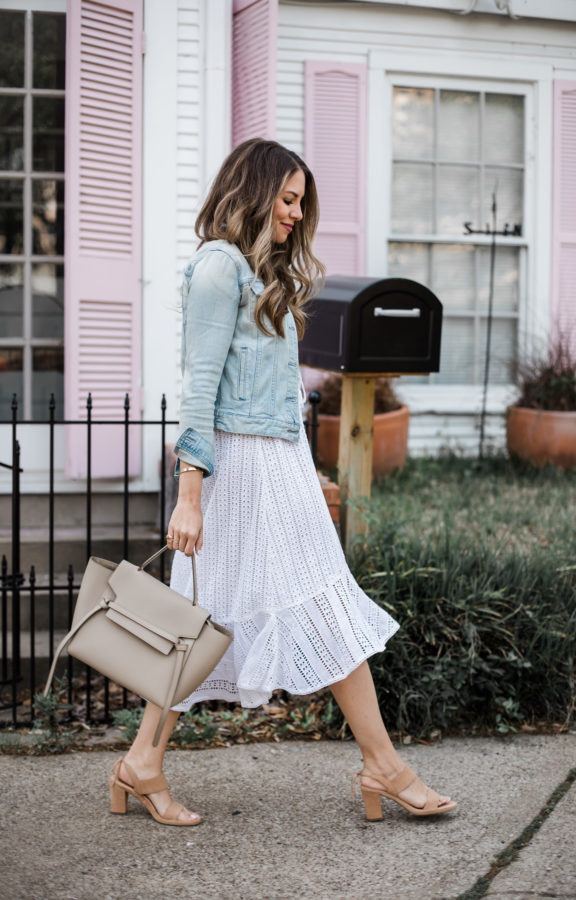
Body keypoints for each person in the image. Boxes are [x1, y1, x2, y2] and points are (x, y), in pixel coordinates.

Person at [109, 139, 456, 827]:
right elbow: (200, 387)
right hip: (237, 470)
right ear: (254, 190)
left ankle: (147, 762)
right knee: (205, 616)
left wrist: (303, 464)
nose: (297, 213)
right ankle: (380, 766)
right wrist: (189, 494)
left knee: (265, 608)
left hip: (277, 461)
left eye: (302, 202)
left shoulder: (254, 269)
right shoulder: (217, 267)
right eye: (288, 198)